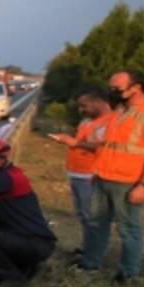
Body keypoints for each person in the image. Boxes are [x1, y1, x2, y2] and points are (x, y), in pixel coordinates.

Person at [76, 70, 144, 282]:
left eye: (116, 88)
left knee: (129, 229)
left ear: (135, 87)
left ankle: (128, 274)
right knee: (95, 223)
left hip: (129, 182)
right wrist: (98, 170)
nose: (111, 92)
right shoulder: (120, 110)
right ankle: (90, 264)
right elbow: (109, 145)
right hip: (103, 177)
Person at [0, 137, 56, 287]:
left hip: (33, 242)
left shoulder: (6, 178)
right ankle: (25, 268)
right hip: (35, 241)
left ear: (6, 157)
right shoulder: (10, 173)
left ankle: (13, 278)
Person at [49, 87, 114, 243]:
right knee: (83, 216)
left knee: (92, 218)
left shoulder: (111, 122)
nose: (81, 110)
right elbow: (83, 143)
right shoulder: (87, 121)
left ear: (98, 102)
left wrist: (75, 142)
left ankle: (93, 255)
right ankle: (87, 249)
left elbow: (107, 148)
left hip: (92, 175)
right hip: (77, 173)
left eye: (84, 105)